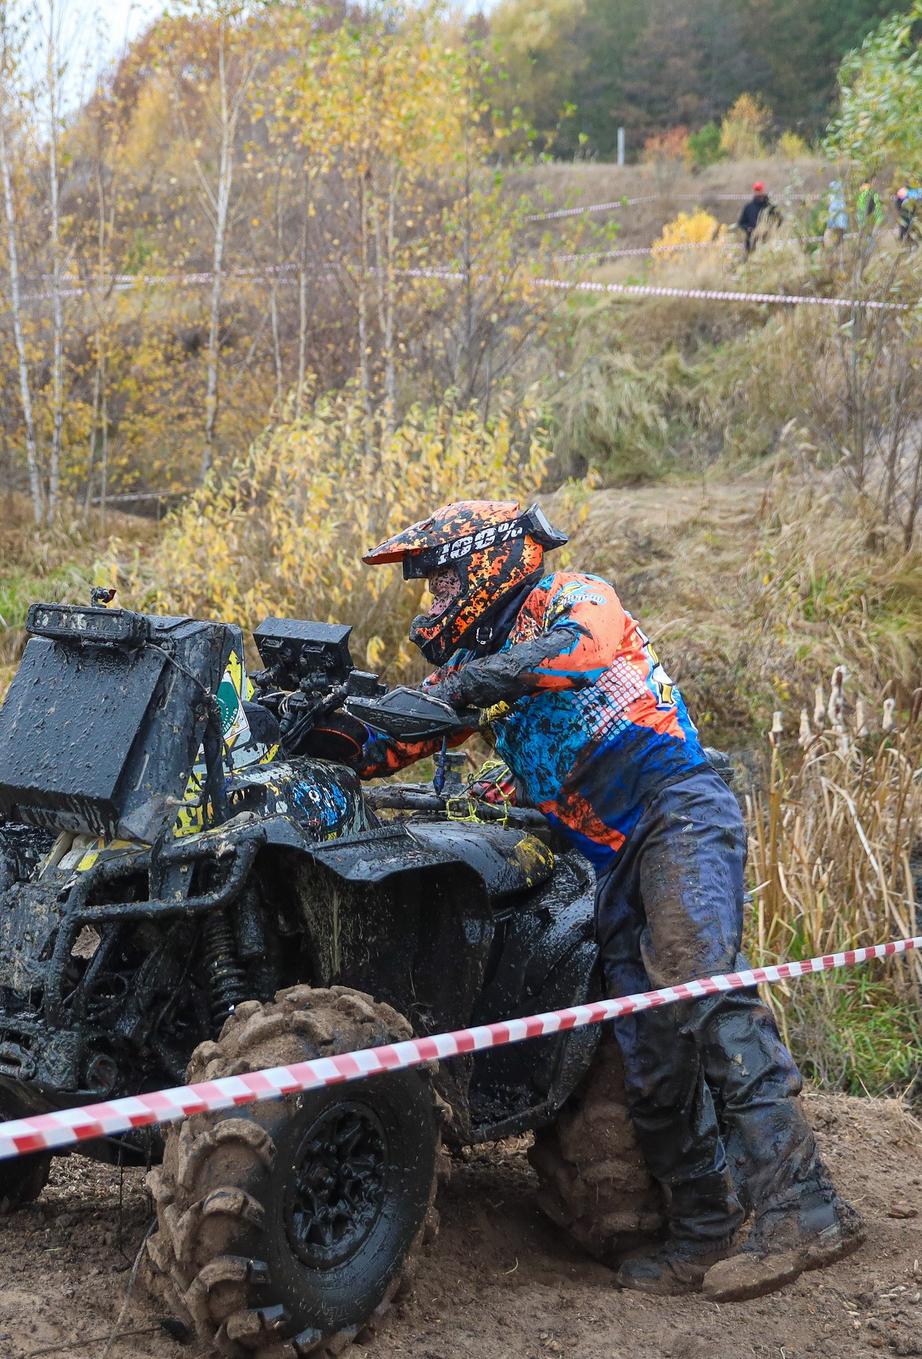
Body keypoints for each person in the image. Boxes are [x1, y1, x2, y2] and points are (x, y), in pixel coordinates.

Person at [337, 500, 863, 1302]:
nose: (431, 602)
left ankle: (807, 1207)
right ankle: (701, 1228)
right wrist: (306, 723)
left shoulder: (570, 598)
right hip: (606, 858)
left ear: (487, 560)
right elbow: (386, 745)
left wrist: (468, 687)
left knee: (700, 991)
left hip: (676, 808)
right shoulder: (475, 666)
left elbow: (584, 651)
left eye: (439, 580)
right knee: (646, 1040)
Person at [735, 182, 769, 258]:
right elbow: (741, 222)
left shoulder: (769, 206)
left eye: (759, 190)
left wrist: (769, 228)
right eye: (756, 190)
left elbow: (778, 220)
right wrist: (748, 228)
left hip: (766, 239)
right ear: (754, 191)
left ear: (763, 191)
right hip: (751, 240)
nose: (758, 192)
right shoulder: (748, 207)